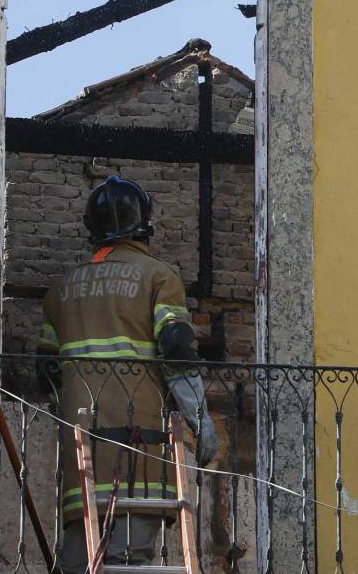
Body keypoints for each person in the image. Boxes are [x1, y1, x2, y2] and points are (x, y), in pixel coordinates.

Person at [36, 175, 218, 572]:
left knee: (80, 557)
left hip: (80, 452)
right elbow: (176, 350)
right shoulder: (158, 277)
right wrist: (202, 423)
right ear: (144, 222)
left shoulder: (60, 290)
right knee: (128, 559)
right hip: (140, 447)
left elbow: (45, 371)